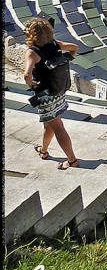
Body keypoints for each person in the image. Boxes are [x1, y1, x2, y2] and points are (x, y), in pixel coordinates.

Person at [23, 16, 80, 170]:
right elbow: (74, 47)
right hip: (58, 90)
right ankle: (44, 151)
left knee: (57, 126)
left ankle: (72, 160)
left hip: (46, 95)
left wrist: (31, 83)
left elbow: (27, 74)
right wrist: (66, 59)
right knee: (49, 123)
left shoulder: (32, 52)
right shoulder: (55, 44)